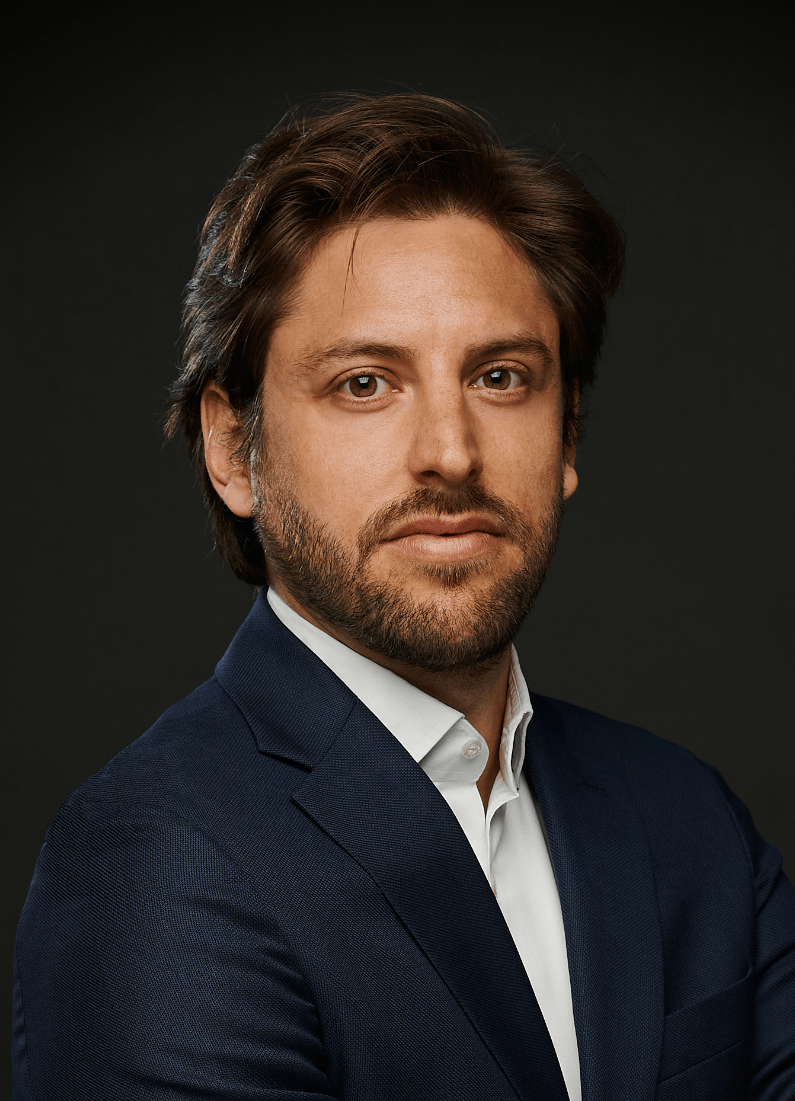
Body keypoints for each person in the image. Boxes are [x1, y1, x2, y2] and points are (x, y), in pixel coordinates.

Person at [13, 93, 795, 1101]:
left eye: (503, 376)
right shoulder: (153, 865)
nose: (451, 454)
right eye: (365, 384)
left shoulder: (687, 818)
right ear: (231, 448)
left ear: (567, 441)